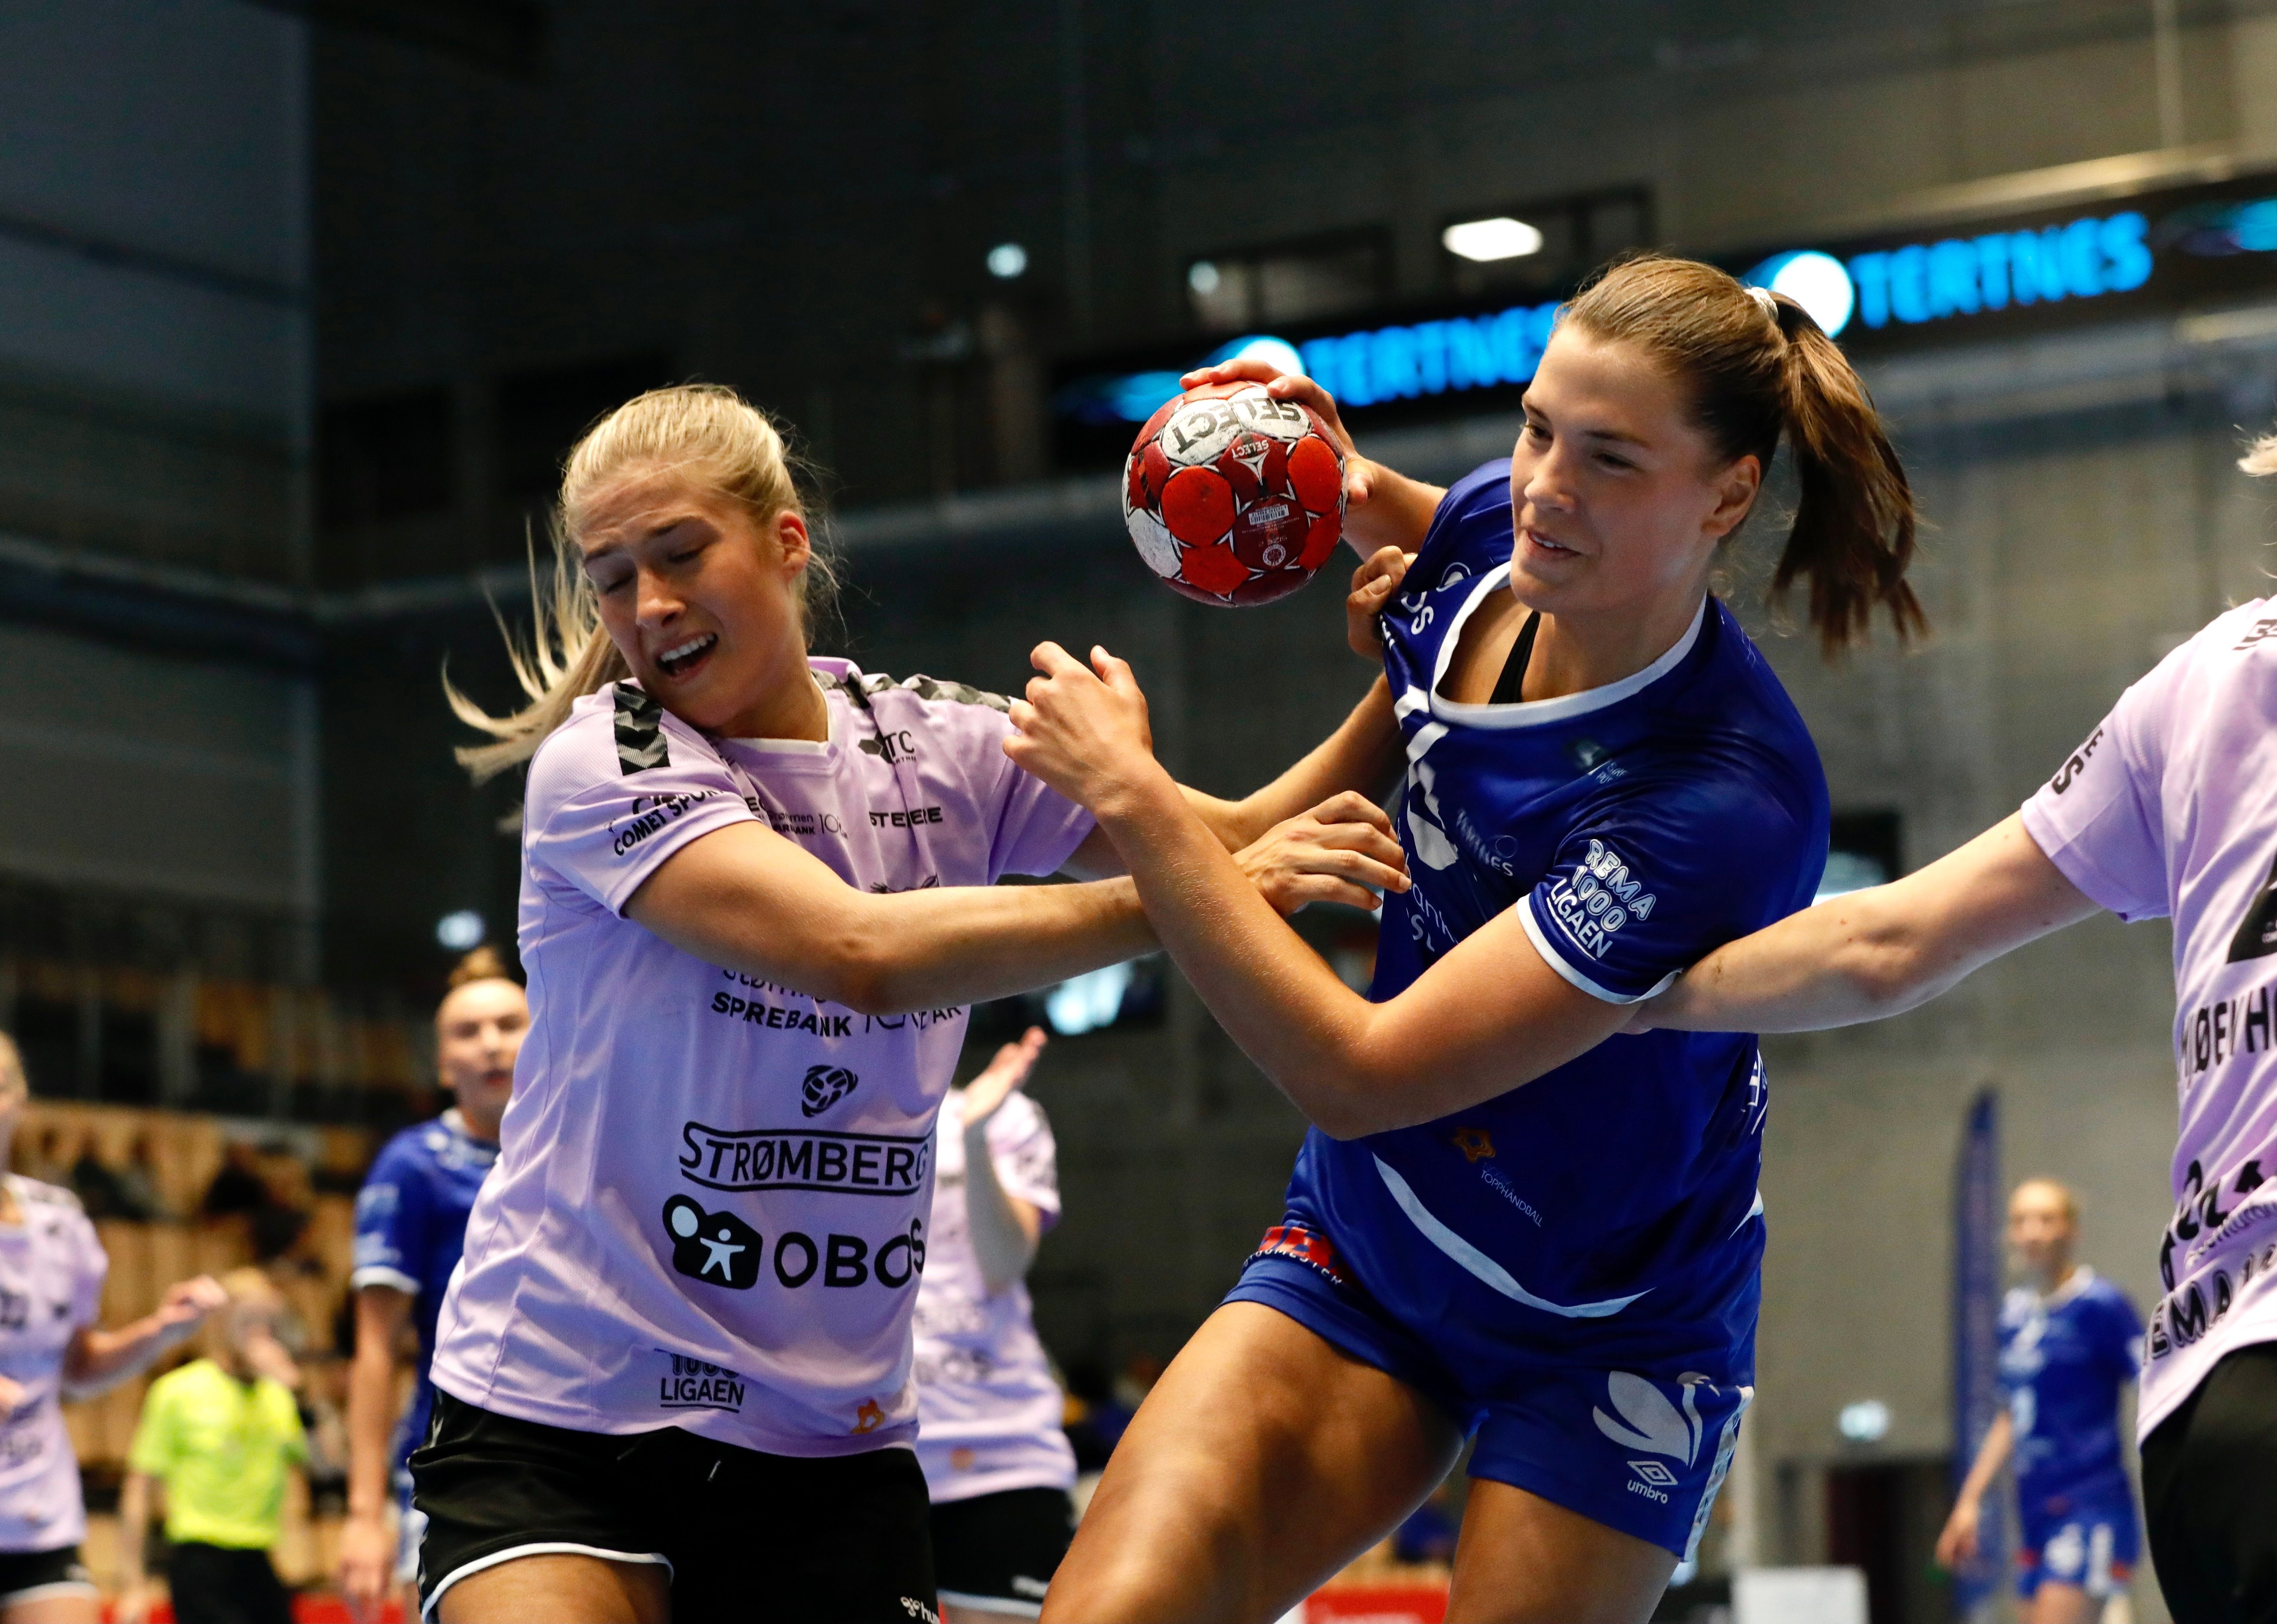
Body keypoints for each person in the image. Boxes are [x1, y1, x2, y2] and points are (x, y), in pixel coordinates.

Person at [1004, 253, 1923, 1624]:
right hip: (1368, 1246)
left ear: (1726, 494)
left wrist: (1135, 799)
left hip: (1612, 1328)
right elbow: (1402, 520)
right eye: (1537, 426)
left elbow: (1358, 1070)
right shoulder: (1496, 530)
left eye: (1610, 457)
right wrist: (1308, 459)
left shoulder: (1716, 799)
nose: (1547, 485)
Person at [414, 383, 1410, 1624]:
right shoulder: (604, 757)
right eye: (611, 577)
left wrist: (1413, 671)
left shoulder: (935, 742)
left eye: (679, 553)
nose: (647, 603)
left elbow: (1240, 840)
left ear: (785, 541)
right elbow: (857, 951)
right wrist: (1194, 888)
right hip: (560, 1408)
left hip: (823, 1438)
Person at [1627, 423, 2277, 1624]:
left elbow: (1885, 944)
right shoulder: (2200, 688)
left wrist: (1613, 990)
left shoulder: (2201, 679)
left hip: (2207, 1423)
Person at [0, 1033, 227, 1624]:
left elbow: (77, 1369)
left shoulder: (59, 1223)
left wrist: (160, 1331)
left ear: (20, 1099)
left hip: (35, 1516)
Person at [339, 946, 527, 1620]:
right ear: (443, 1063)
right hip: (450, 1455)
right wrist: (364, 1511)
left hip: (582, 1445)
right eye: (468, 1032)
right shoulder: (412, 1166)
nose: (491, 1043)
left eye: (509, 1024)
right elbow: (375, 1347)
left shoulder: (583, 1148)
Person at [913, 1026, 1077, 1622]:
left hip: (999, 1456)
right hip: (860, 1454)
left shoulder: (1003, 1114)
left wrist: (974, 1137)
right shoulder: (813, 1115)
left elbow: (1005, 1264)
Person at [1938, 1180, 2144, 1622]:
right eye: (2021, 1221)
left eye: (2046, 1219)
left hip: (2091, 1507)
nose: (2032, 1232)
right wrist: (1969, 1501)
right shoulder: (2014, 1314)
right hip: (2034, 1512)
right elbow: (2011, 1414)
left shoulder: (2100, 1306)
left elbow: (2155, 1384)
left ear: (2071, 1230)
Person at [119, 1268, 306, 1624]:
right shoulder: (178, 1391)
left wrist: (298, 1391)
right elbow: (139, 1487)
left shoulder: (279, 1395)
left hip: (260, 1557)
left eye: (269, 1322)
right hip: (200, 1557)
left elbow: (328, 1465)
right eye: (249, 1320)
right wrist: (133, 1583)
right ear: (223, 1322)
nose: (260, 1333)